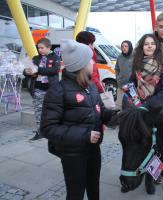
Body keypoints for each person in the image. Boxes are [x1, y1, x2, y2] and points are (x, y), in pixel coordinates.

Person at [40, 40, 117, 200]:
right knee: (75, 193)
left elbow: (100, 111)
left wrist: (117, 117)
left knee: (94, 189)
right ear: (81, 64)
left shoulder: (91, 86)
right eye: (90, 59)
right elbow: (48, 128)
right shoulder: (57, 91)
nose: (93, 62)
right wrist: (84, 135)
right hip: (73, 154)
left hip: (93, 150)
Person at [125, 33, 163, 194]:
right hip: (139, 109)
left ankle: (151, 177)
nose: (149, 46)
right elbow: (130, 83)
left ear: (156, 46)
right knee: (140, 144)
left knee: (157, 145)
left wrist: (147, 105)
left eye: (152, 43)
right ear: (142, 47)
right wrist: (133, 98)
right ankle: (134, 171)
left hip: (157, 110)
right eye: (146, 44)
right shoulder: (137, 64)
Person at [23, 38, 60, 141]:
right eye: (38, 48)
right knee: (39, 111)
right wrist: (27, 71)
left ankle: (53, 131)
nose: (40, 50)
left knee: (52, 111)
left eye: (42, 48)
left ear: (49, 47)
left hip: (51, 89)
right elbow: (26, 71)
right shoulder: (35, 58)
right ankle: (40, 132)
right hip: (38, 89)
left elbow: (54, 70)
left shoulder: (55, 57)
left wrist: (38, 69)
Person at [115, 40, 133, 110]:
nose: (124, 48)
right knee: (119, 105)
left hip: (132, 86)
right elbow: (117, 69)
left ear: (130, 47)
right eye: (122, 46)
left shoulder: (134, 57)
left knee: (131, 105)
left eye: (126, 46)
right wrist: (118, 79)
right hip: (121, 86)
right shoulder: (119, 57)